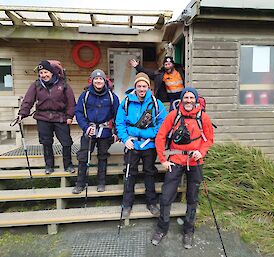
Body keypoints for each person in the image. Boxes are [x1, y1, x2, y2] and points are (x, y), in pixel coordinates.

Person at [151, 87, 214, 249]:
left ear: (196, 100)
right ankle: (162, 229)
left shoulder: (203, 117)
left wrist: (202, 152)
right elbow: (160, 136)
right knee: (166, 197)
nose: (188, 100)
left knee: (193, 198)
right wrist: (163, 159)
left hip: (195, 162)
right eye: (186, 97)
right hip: (175, 160)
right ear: (181, 99)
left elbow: (209, 139)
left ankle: (188, 231)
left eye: (191, 98)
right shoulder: (173, 116)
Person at [116, 72, 167, 218]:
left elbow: (161, 125)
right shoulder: (126, 102)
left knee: (149, 173)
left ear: (148, 87)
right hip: (131, 144)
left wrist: (143, 133)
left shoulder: (156, 104)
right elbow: (120, 122)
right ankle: (127, 203)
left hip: (149, 146)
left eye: (144, 86)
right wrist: (125, 139)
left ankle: (151, 203)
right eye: (139, 86)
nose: (142, 89)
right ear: (135, 87)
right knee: (129, 173)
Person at [18, 60, 76, 174]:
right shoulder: (36, 85)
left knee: (66, 142)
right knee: (46, 142)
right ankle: (49, 166)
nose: (44, 75)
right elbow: (28, 100)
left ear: (52, 72)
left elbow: (71, 102)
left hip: (60, 117)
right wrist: (22, 113)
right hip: (43, 117)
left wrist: (70, 116)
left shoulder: (63, 84)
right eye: (41, 73)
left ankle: (68, 165)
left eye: (46, 72)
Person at [72, 69, 119, 194]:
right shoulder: (85, 95)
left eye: (101, 79)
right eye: (96, 79)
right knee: (83, 157)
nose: (98, 81)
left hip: (105, 132)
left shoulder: (112, 97)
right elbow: (79, 112)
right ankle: (80, 184)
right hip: (89, 130)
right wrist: (85, 127)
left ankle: (101, 183)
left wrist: (116, 132)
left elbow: (118, 115)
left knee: (102, 157)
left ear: (105, 81)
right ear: (92, 81)